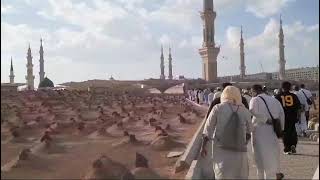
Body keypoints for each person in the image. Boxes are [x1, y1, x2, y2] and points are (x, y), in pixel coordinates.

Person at [200, 86, 252, 179]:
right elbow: (249, 131)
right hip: (240, 154)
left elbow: (207, 130)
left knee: (222, 174)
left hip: (221, 152)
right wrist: (243, 141)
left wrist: (203, 147)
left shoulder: (217, 108)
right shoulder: (244, 110)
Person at [250, 84, 285, 180]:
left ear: (254, 91)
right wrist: (280, 129)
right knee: (271, 156)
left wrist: (265, 120)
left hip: (259, 130)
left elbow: (252, 110)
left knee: (260, 159)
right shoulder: (274, 100)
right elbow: (282, 114)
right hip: (272, 131)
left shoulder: (255, 99)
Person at [275, 81, 301, 155]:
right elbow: (299, 108)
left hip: (283, 116)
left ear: (282, 87)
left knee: (285, 132)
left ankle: (287, 148)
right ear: (290, 87)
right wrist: (298, 117)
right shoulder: (294, 96)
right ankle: (293, 144)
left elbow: (275, 108)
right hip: (293, 116)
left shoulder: (278, 96)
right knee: (293, 131)